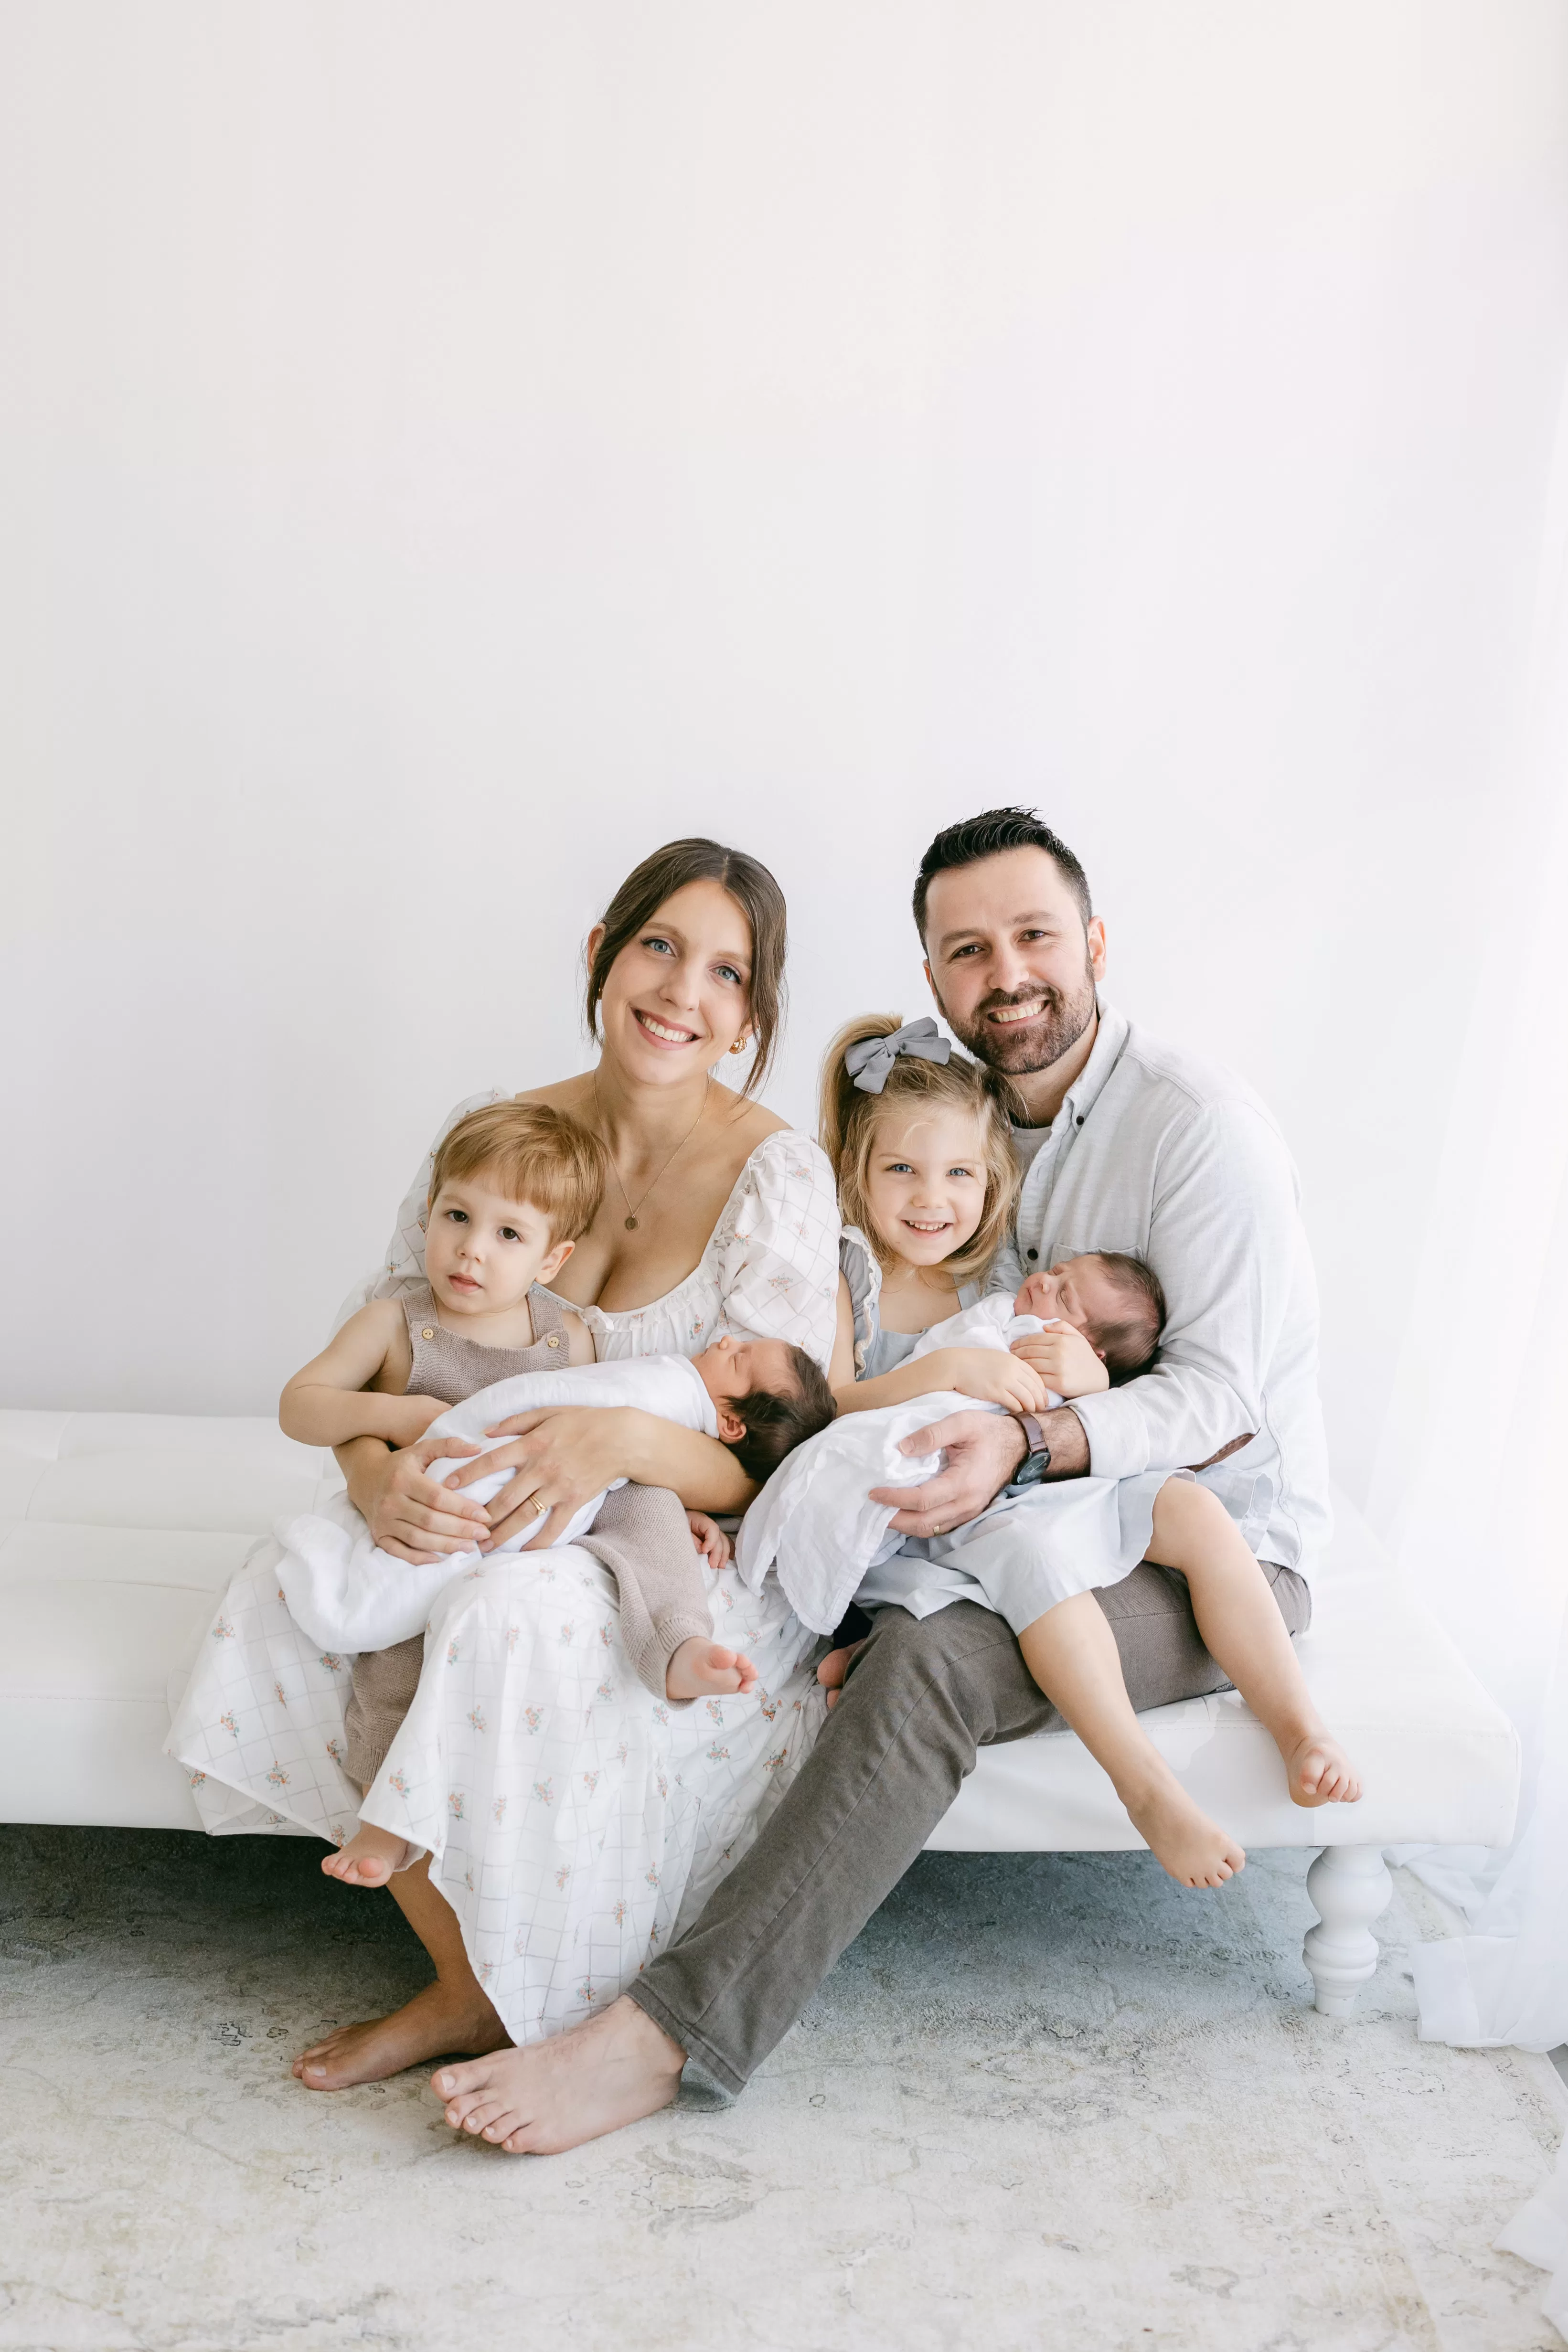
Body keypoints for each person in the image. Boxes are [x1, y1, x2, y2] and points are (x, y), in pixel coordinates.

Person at [427, 806, 1336, 2156]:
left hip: (1197, 1543)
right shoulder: (951, 1138)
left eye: (1035, 935)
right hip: (1012, 1508)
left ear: (1092, 942)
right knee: (870, 1598)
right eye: (968, 950)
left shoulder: (1194, 1129)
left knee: (935, 1664)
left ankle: (671, 2032)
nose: (1006, 972)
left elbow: (1225, 1403)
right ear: (934, 980)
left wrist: (1025, 1443)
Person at [170, 836, 841, 2083]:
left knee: (504, 1606)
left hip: (679, 1544)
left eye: (725, 973)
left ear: (750, 1015)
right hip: (478, 1498)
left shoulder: (774, 1179)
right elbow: (385, 1361)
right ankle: (466, 1979)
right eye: (658, 945)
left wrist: (624, 1442)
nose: (681, 990)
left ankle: (517, 1968)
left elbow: (791, 1461)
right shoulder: (503, 1141)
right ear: (601, 951)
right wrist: (380, 1481)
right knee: (314, 1580)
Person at [266, 1096, 832, 1891]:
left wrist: (697, 1508)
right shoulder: (396, 1323)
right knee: (396, 1652)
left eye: (507, 1236)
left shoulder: (566, 1339)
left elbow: (610, 1439)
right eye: (457, 1217)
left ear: (550, 1260)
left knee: (649, 1509)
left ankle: (672, 1642)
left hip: (537, 1517)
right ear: (428, 1215)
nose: (470, 1252)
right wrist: (396, 1416)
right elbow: (302, 1404)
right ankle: (385, 1816)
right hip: (440, 1521)